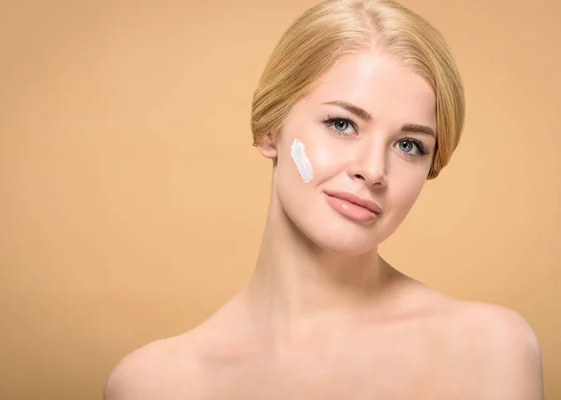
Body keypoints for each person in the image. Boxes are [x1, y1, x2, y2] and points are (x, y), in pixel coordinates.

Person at [104, 0, 544, 398]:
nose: (373, 170)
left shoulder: (488, 350)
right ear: (270, 128)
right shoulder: (153, 384)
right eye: (342, 124)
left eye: (409, 145)